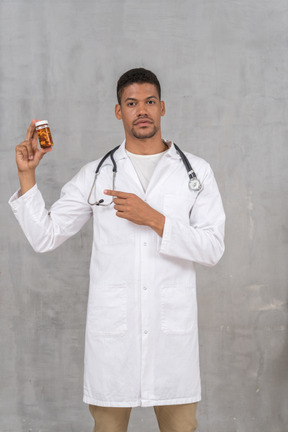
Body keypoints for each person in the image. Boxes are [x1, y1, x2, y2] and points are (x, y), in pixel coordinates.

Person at [9, 68, 225, 432]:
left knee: (182, 427)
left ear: (162, 108)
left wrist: (155, 219)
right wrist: (27, 176)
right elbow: (45, 236)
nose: (142, 110)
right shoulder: (96, 174)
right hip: (114, 339)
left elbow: (213, 248)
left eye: (149, 102)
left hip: (170, 339)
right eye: (131, 103)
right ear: (118, 111)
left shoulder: (196, 173)